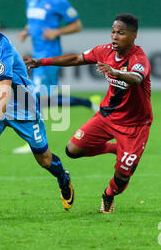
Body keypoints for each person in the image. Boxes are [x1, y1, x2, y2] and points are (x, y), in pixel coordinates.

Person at [24, 13, 153, 214]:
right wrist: (41, 62)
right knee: (73, 150)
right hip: (107, 116)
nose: (115, 36)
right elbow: (76, 58)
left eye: (121, 33)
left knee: (122, 175)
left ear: (133, 36)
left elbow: (136, 79)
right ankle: (116, 149)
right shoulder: (104, 51)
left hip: (134, 126)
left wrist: (116, 72)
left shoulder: (139, 59)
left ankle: (108, 195)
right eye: (113, 32)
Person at [0, 9, 74, 218]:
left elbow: (6, 91)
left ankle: (63, 178)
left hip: (23, 107)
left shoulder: (3, 51)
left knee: (44, 160)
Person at [13, 0, 101, 154]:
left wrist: (56, 32)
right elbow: (35, 22)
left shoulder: (58, 1)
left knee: (34, 98)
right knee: (47, 100)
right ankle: (89, 102)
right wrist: (26, 30)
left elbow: (77, 25)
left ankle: (34, 141)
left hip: (50, 57)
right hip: (37, 54)